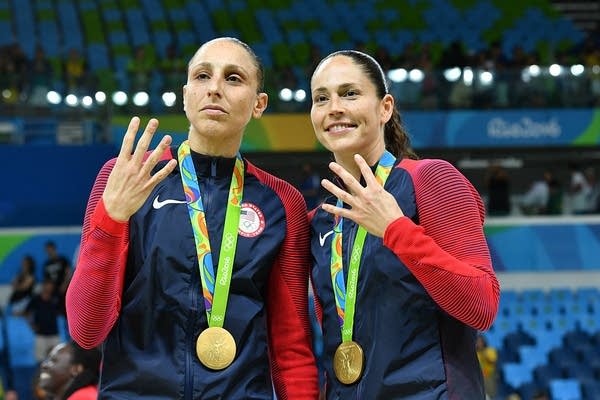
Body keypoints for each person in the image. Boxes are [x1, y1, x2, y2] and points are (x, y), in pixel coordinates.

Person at [66, 37, 318, 399]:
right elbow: (86, 329)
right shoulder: (125, 177)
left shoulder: (282, 202)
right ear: (185, 96)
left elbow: (291, 348)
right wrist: (112, 219)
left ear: (259, 104)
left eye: (233, 78)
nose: (215, 88)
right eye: (202, 76)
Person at [308, 50, 499, 399]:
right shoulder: (321, 221)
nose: (334, 107)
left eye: (350, 93)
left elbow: (481, 306)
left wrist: (396, 228)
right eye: (321, 98)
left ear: (385, 108)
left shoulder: (430, 180)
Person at [26, 279, 61, 362]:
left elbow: (60, 312)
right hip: (40, 334)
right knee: (40, 360)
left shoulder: (55, 299)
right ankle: (40, 375)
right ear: (43, 286)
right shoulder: (36, 299)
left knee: (56, 359)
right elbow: (27, 312)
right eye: (47, 286)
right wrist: (32, 325)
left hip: (54, 333)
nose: (49, 288)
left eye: (51, 287)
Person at [476, 334, 498, 399]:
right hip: (478, 377)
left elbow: (493, 360)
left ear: (484, 342)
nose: (479, 343)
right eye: (477, 342)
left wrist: (484, 353)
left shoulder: (490, 350)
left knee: (489, 395)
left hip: (489, 376)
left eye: (480, 341)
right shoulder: (475, 353)